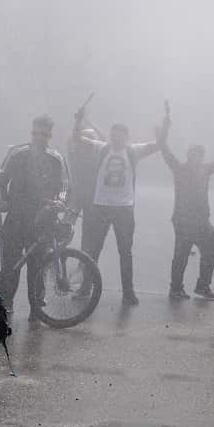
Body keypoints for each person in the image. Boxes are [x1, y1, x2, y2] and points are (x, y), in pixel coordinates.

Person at [73, 107, 168, 305]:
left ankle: (128, 292)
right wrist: (78, 121)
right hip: (101, 206)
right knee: (93, 250)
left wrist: (165, 125)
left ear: (126, 137)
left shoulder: (134, 150)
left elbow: (159, 145)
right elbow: (78, 140)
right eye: (113, 136)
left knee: (125, 252)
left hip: (124, 208)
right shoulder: (102, 147)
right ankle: (85, 288)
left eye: (120, 136)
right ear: (110, 136)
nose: (116, 140)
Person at [158, 112, 214, 300]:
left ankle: (202, 285)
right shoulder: (179, 168)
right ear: (188, 156)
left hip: (201, 220)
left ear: (202, 157)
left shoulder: (206, 169)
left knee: (211, 248)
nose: (195, 158)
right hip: (183, 220)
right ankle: (176, 287)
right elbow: (164, 149)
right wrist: (165, 128)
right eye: (192, 154)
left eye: (198, 155)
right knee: (181, 253)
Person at [0, 116, 69, 319]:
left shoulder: (56, 158)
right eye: (37, 133)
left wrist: (61, 201)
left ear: (50, 135)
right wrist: (1, 200)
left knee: (38, 264)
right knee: (11, 262)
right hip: (17, 214)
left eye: (44, 134)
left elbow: (64, 185)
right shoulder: (17, 153)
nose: (40, 137)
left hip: (43, 218)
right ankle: (6, 302)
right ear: (32, 133)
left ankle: (36, 307)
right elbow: (0, 178)